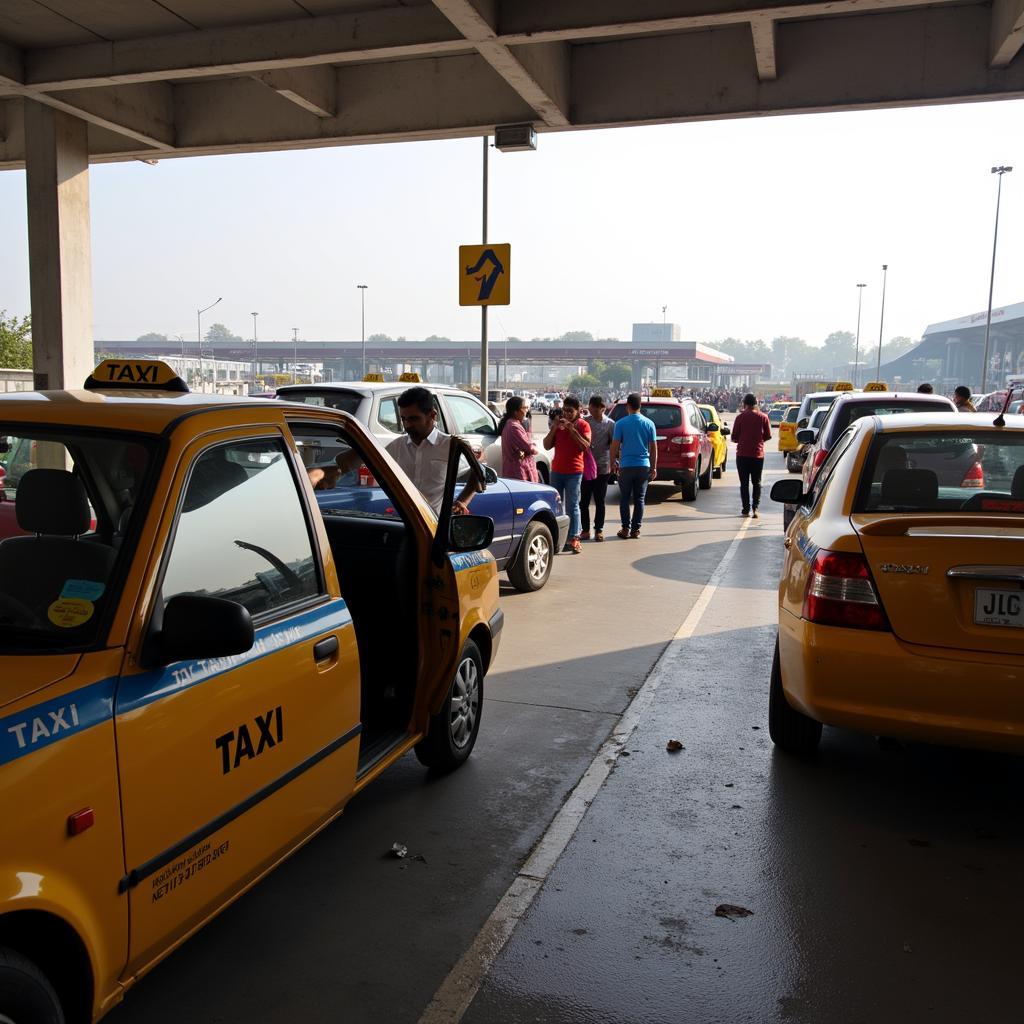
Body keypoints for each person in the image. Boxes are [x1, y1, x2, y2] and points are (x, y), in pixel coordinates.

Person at [335, 386, 479, 515]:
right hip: (406, 525)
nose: (407, 425)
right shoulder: (396, 447)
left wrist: (463, 501)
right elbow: (365, 463)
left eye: (414, 419)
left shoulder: (452, 447)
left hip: (437, 526)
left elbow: (478, 474)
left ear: (433, 416)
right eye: (403, 419)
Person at [543, 395, 591, 554]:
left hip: (574, 472)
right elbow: (546, 445)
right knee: (556, 505)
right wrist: (555, 428)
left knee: (572, 506)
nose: (567, 414)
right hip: (557, 471)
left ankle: (574, 537)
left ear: (578, 411)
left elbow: (584, 446)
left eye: (570, 411)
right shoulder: (559, 425)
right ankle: (557, 537)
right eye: (565, 410)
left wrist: (572, 429)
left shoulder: (583, 425)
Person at [609, 392, 657, 539]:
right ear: (640, 405)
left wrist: (612, 463)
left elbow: (615, 446)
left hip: (626, 466)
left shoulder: (621, 424)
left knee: (625, 498)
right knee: (639, 499)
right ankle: (636, 530)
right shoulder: (649, 423)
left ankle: (625, 529)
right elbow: (654, 448)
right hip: (643, 465)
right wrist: (654, 467)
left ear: (628, 406)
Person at [730, 392, 772, 518]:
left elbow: (734, 437)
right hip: (757, 455)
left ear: (744, 404)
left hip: (742, 455)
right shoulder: (763, 417)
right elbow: (768, 435)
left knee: (744, 483)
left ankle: (745, 509)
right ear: (756, 403)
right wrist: (758, 440)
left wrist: (741, 440)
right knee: (756, 482)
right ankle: (755, 508)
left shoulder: (740, 417)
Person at [580, 394, 614, 541]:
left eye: (594, 409)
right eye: (590, 408)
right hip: (586, 466)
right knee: (584, 501)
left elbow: (614, 444)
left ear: (602, 408)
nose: (591, 411)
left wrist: (614, 462)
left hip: (602, 466)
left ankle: (598, 529)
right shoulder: (586, 422)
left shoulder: (611, 424)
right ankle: (585, 530)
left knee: (600, 500)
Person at [497, 396, 539, 482]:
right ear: (516, 412)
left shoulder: (513, 424)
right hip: (519, 473)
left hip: (516, 472)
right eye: (524, 408)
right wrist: (535, 448)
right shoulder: (514, 427)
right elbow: (529, 447)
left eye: (527, 407)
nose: (526, 410)